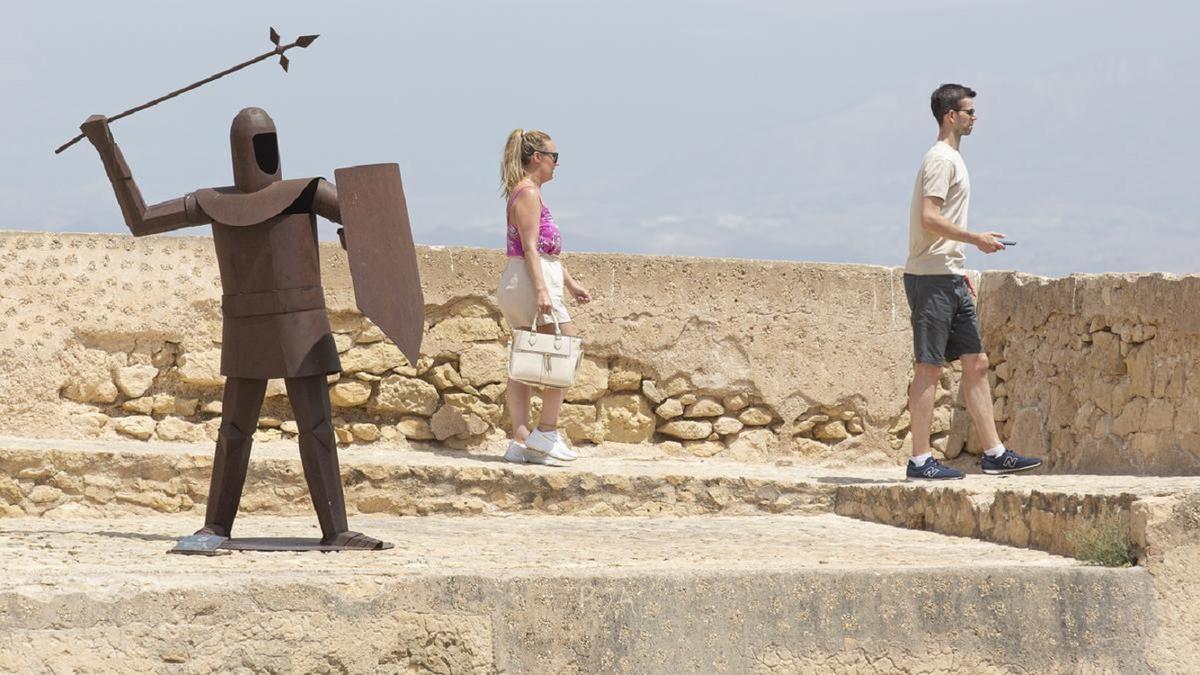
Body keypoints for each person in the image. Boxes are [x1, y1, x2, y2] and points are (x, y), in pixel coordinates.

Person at [903, 84, 1042, 480]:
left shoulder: (952, 159)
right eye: (968, 111)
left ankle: (994, 454)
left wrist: (960, 266)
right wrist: (976, 239)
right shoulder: (941, 160)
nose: (974, 117)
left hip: (949, 275)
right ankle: (919, 461)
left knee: (977, 363)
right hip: (930, 279)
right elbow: (930, 218)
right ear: (951, 116)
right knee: (929, 368)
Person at [496, 129, 592, 465]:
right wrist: (541, 290)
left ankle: (522, 440)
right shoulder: (528, 194)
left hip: (535, 276)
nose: (557, 163)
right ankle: (545, 433)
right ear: (537, 157)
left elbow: (543, 252)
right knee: (562, 350)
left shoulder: (529, 192)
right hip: (529, 279)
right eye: (554, 156)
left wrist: (569, 283)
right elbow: (530, 248)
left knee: (526, 359)